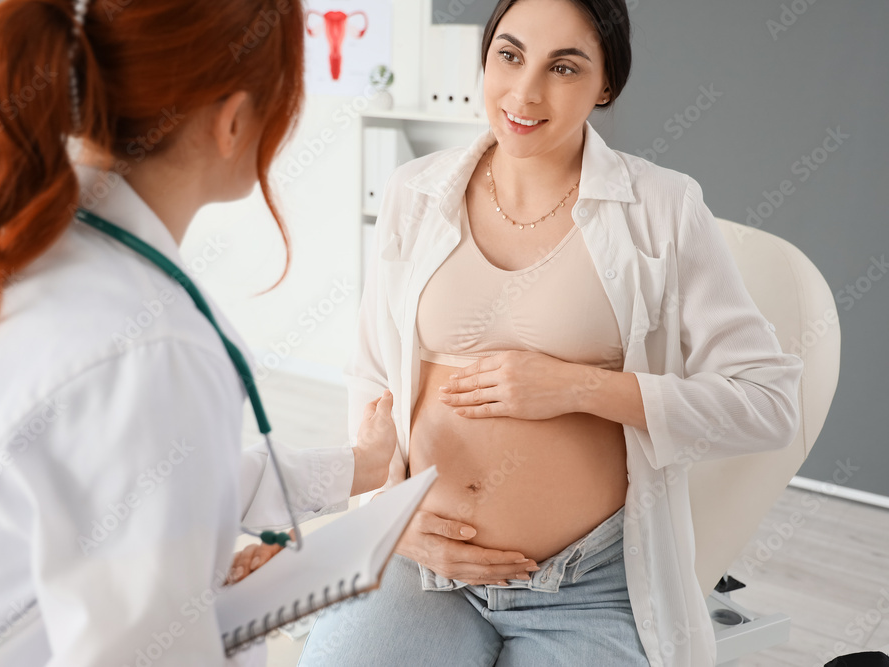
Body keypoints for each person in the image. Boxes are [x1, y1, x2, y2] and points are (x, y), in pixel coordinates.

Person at [0, 0, 397, 665]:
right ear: (235, 119)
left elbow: (121, 471)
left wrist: (356, 467)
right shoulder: (151, 350)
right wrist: (220, 621)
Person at [300, 0, 804, 666]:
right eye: (509, 55)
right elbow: (372, 376)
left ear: (606, 85)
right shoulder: (413, 192)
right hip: (422, 564)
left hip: (585, 588)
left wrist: (578, 386)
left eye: (563, 67)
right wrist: (389, 512)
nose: (525, 92)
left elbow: (769, 404)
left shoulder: (664, 208)